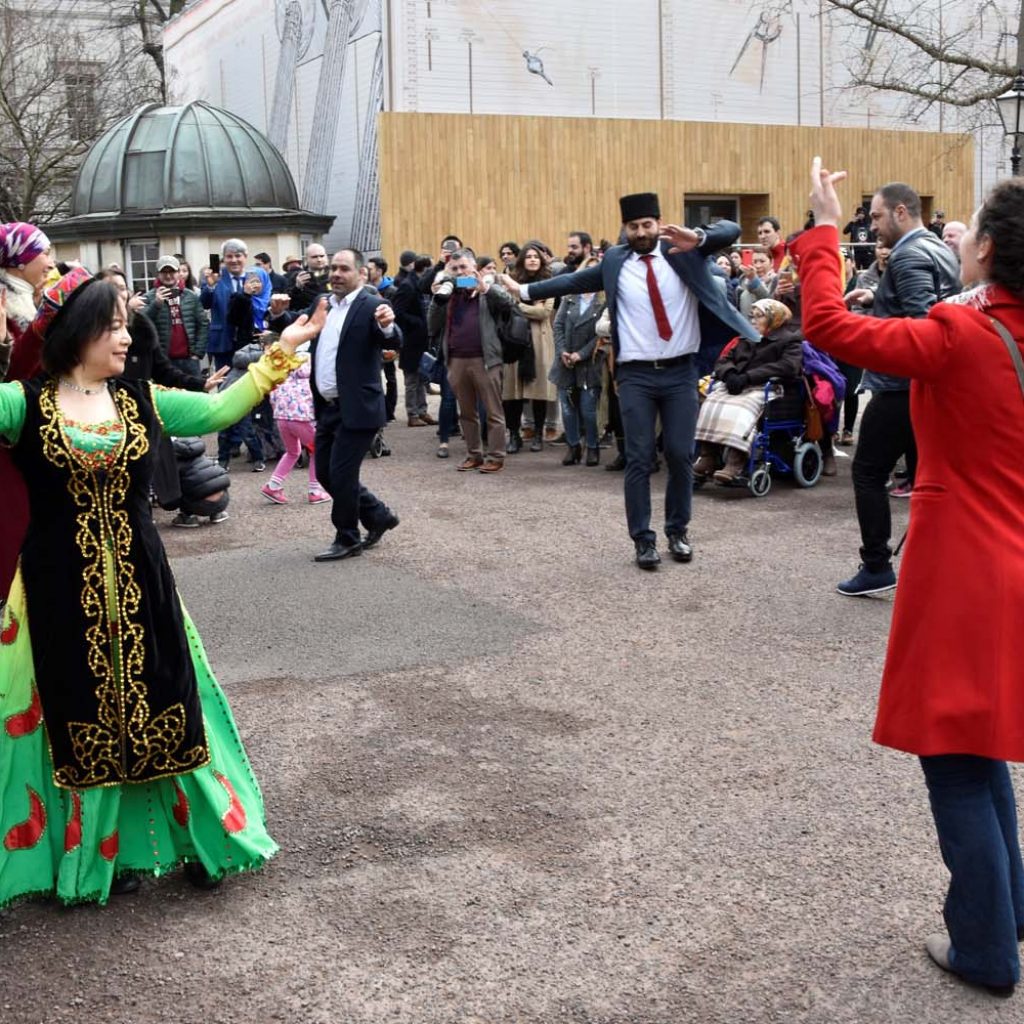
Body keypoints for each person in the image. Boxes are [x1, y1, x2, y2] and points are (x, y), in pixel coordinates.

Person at [0, 270, 317, 906]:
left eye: (125, 325)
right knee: (72, 719)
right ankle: (94, 861)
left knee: (170, 708)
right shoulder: (20, 404)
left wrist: (279, 354)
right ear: (76, 332)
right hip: (53, 595)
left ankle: (198, 843)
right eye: (113, 326)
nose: (125, 338)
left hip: (144, 586)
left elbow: (220, 409)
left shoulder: (141, 399)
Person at [802, 156, 1024, 1000]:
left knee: (953, 755)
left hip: (964, 558)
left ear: (993, 251)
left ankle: (985, 950)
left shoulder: (960, 334)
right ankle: (1009, 911)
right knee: (983, 743)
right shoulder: (979, 320)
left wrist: (824, 227)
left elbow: (828, 324)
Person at [503, 192, 755, 570]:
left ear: (658, 223)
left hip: (681, 371)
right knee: (638, 458)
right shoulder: (616, 260)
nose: (641, 232)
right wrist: (523, 289)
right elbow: (572, 281)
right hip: (636, 374)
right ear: (626, 229)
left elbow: (732, 229)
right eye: (634, 226)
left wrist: (699, 238)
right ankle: (643, 540)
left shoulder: (683, 249)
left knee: (680, 455)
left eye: (647, 225)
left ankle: (677, 532)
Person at [837, 182, 960, 596]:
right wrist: (875, 297)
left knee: (867, 472)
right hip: (926, 388)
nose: (871, 226)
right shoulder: (938, 247)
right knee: (929, 479)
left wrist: (868, 326)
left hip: (901, 388)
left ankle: (876, 566)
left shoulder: (907, 255)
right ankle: (938, 567)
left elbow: (926, 325)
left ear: (901, 211)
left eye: (875, 217)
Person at [281, 249, 403, 560]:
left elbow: (392, 341)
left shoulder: (374, 305)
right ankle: (377, 515)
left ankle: (347, 537)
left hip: (359, 406)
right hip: (328, 406)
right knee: (324, 473)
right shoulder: (322, 303)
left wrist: (388, 326)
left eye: (344, 269)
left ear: (361, 274)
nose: (336, 273)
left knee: (342, 473)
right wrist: (277, 314)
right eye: (333, 268)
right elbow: (300, 326)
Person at [0, 222, 54, 606]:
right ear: (20, 262)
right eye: (44, 252)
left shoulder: (27, 299)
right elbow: (13, 375)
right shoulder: (9, 304)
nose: (51, 260)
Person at [693, 298, 803, 483]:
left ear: (774, 318)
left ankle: (736, 461)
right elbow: (723, 360)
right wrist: (730, 374)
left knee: (742, 408)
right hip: (739, 383)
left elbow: (787, 367)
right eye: (752, 316)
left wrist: (749, 377)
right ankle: (708, 456)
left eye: (759, 316)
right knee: (710, 402)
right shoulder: (745, 337)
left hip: (769, 386)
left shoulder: (789, 340)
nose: (753, 320)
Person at [427, 248, 513, 473]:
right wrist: (437, 298)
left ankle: (496, 456)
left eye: (463, 267)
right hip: (456, 360)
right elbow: (432, 326)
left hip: (485, 359)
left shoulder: (488, 287)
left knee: (493, 411)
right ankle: (473, 454)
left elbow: (508, 305)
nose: (459, 272)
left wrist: (485, 289)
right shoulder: (448, 293)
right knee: (466, 412)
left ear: (473, 268)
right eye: (454, 269)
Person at [550, 256, 606, 465]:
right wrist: (563, 351)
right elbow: (558, 325)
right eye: (588, 270)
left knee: (588, 410)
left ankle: (592, 447)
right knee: (566, 408)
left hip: (589, 363)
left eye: (596, 270)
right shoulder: (570, 297)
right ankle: (573, 446)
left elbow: (599, 335)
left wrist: (580, 354)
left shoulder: (604, 300)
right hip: (565, 362)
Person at [260, 340, 329, 505]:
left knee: (292, 452)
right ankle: (315, 490)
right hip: (302, 418)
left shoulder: (283, 369)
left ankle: (273, 485)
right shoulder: (313, 369)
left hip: (282, 418)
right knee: (317, 450)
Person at [503, 243, 557, 453]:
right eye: (529, 256)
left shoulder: (548, 283)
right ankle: (514, 434)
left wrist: (518, 304)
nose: (533, 259)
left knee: (539, 391)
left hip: (540, 340)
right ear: (522, 260)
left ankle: (538, 435)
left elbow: (544, 313)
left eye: (536, 256)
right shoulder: (512, 282)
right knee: (513, 392)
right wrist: (529, 306)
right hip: (515, 340)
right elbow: (508, 305)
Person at [200, 239, 271, 370]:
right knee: (225, 382)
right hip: (223, 340)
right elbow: (204, 304)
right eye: (229, 256)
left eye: (238, 255)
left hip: (248, 341)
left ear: (245, 257)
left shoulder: (254, 277)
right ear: (224, 258)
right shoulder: (216, 277)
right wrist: (210, 286)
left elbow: (261, 306)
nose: (234, 260)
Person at [142, 255, 209, 376]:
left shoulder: (191, 296)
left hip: (189, 360)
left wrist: (197, 353)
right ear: (158, 274)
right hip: (163, 361)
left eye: (172, 271)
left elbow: (203, 324)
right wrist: (156, 305)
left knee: (194, 393)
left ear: (178, 273)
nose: (168, 276)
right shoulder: (149, 297)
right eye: (164, 272)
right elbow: (142, 325)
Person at [392, 250, 434, 429]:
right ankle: (413, 413)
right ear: (423, 269)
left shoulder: (418, 284)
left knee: (421, 375)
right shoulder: (408, 285)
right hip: (411, 339)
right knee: (411, 378)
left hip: (420, 338)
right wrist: (418, 323)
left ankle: (422, 411)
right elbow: (398, 312)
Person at [286, 244, 330, 310]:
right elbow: (289, 304)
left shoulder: (334, 275)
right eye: (314, 257)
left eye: (322, 256)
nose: (319, 259)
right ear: (306, 259)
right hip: (306, 316)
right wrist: (297, 288)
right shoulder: (298, 276)